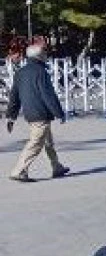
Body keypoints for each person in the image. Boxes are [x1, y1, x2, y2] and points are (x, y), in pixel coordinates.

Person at [5, 39, 69, 182]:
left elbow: (14, 96)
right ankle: (19, 171)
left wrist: (11, 117)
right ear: (39, 56)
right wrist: (59, 113)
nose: (46, 55)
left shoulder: (20, 73)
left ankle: (57, 167)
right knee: (35, 143)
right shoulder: (41, 72)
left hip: (30, 112)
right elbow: (48, 95)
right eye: (45, 52)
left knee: (48, 142)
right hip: (40, 113)